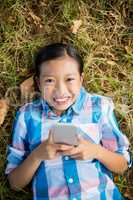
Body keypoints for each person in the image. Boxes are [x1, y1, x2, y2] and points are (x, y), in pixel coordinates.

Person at [5, 43, 132, 200]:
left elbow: (122, 165)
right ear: (38, 83)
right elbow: (14, 183)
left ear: (81, 79)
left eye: (69, 79)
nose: (60, 91)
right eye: (50, 81)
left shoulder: (99, 107)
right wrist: (37, 155)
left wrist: (96, 151)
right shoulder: (27, 115)